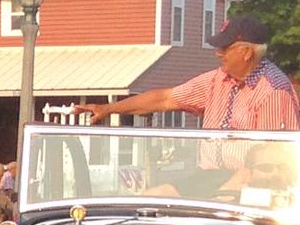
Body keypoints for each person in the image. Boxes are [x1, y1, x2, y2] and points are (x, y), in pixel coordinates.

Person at [74, 16, 300, 138]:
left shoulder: (273, 91)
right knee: (150, 199)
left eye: (225, 48)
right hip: (210, 177)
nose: (218, 53)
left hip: (246, 187)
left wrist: (221, 191)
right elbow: (164, 99)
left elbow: (270, 160)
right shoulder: (217, 80)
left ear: (247, 52)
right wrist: (108, 109)